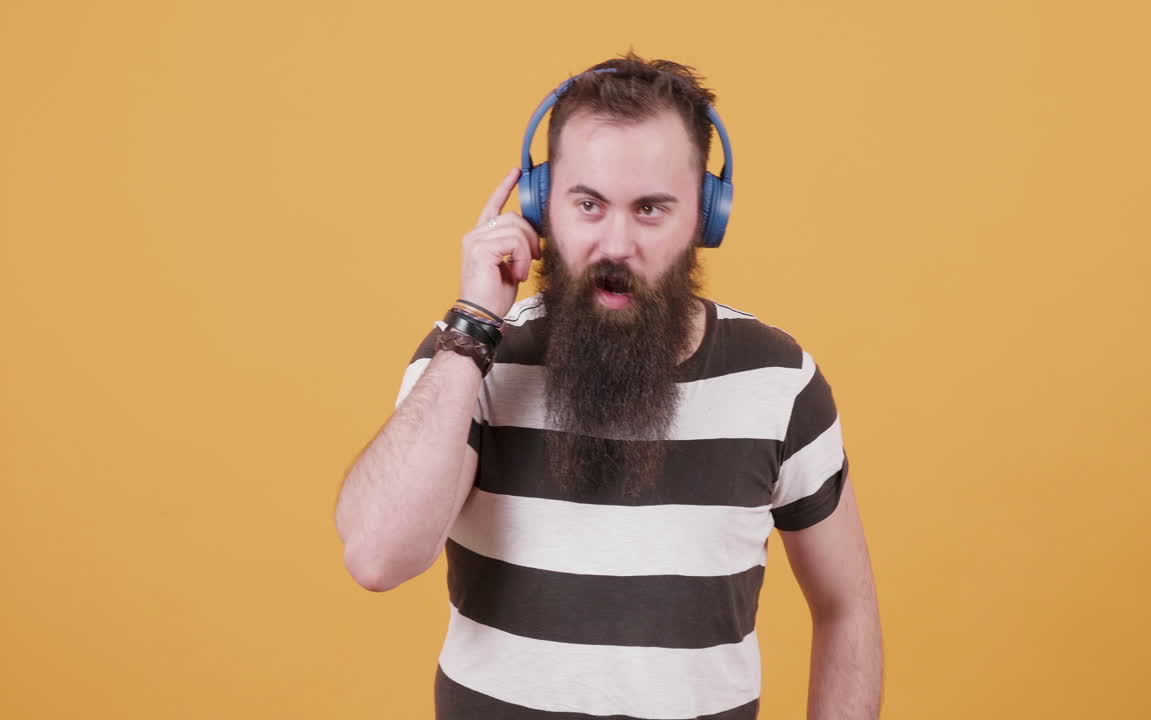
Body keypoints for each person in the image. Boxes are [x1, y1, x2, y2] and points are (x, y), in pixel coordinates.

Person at [335, 52, 883, 720]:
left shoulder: (779, 382)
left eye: (651, 209)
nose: (615, 242)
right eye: (588, 204)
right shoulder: (470, 360)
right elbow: (374, 557)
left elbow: (847, 609)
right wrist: (474, 325)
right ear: (541, 207)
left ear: (706, 220)